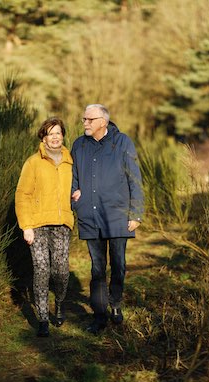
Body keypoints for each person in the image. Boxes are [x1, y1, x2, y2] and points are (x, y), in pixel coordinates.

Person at [71, 104, 144, 335]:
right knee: (97, 268)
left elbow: (135, 179)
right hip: (90, 215)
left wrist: (136, 213)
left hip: (118, 215)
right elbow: (72, 179)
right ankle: (100, 315)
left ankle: (115, 303)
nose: (85, 123)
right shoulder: (79, 145)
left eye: (89, 119)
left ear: (103, 121)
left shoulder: (122, 142)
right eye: (84, 118)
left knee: (119, 265)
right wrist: (75, 199)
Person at [15, 117, 73, 338]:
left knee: (60, 270)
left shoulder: (70, 161)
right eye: (51, 133)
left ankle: (59, 303)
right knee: (41, 269)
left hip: (62, 224)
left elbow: (77, 188)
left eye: (58, 132)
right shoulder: (33, 162)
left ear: (63, 135)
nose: (55, 137)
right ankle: (42, 319)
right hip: (37, 224)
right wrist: (26, 226)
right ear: (43, 137)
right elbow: (22, 195)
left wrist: (77, 195)